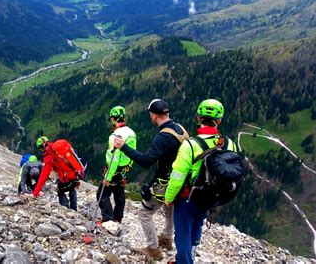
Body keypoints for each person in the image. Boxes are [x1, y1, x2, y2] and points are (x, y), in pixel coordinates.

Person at [113, 99, 189, 260]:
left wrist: (123, 147)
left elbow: (146, 161)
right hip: (180, 180)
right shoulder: (180, 129)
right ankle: (167, 238)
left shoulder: (162, 137)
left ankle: (153, 248)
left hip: (165, 182)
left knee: (144, 213)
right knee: (170, 208)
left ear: (153, 116)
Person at [163, 99, 237, 264]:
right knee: (197, 225)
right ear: (219, 121)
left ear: (198, 118)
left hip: (188, 197)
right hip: (213, 196)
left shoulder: (191, 145)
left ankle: (184, 260)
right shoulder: (230, 144)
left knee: (182, 234)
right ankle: (191, 256)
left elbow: (178, 176)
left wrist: (168, 198)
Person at [97, 106, 136, 224]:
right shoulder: (131, 133)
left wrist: (107, 177)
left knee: (102, 193)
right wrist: (128, 167)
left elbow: (114, 159)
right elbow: (133, 152)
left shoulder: (115, 136)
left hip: (115, 169)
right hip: (126, 168)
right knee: (119, 191)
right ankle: (118, 217)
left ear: (113, 119)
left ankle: (107, 219)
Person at [32, 136, 80, 211]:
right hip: (76, 174)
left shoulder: (49, 156)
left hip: (66, 177)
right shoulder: (59, 147)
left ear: (43, 145)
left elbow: (44, 176)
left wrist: (35, 193)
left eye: (41, 147)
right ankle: (74, 208)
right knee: (72, 188)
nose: (42, 150)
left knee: (60, 191)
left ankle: (65, 208)